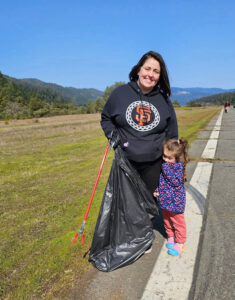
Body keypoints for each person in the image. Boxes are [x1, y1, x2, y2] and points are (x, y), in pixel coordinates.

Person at [101, 51, 178, 200]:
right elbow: (106, 118)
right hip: (125, 163)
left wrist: (171, 163)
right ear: (138, 70)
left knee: (147, 209)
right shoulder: (119, 94)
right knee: (126, 209)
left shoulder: (164, 99)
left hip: (154, 166)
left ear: (159, 76)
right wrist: (114, 138)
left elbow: (172, 134)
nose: (150, 74)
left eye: (156, 71)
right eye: (147, 69)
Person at [153, 138, 189, 256]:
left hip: (175, 201)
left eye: (169, 158)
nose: (165, 160)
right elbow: (162, 181)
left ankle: (180, 242)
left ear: (177, 158)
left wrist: (164, 168)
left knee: (178, 222)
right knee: (167, 220)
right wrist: (158, 190)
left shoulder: (178, 167)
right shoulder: (166, 165)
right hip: (164, 200)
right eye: (164, 156)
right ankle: (171, 236)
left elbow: (174, 182)